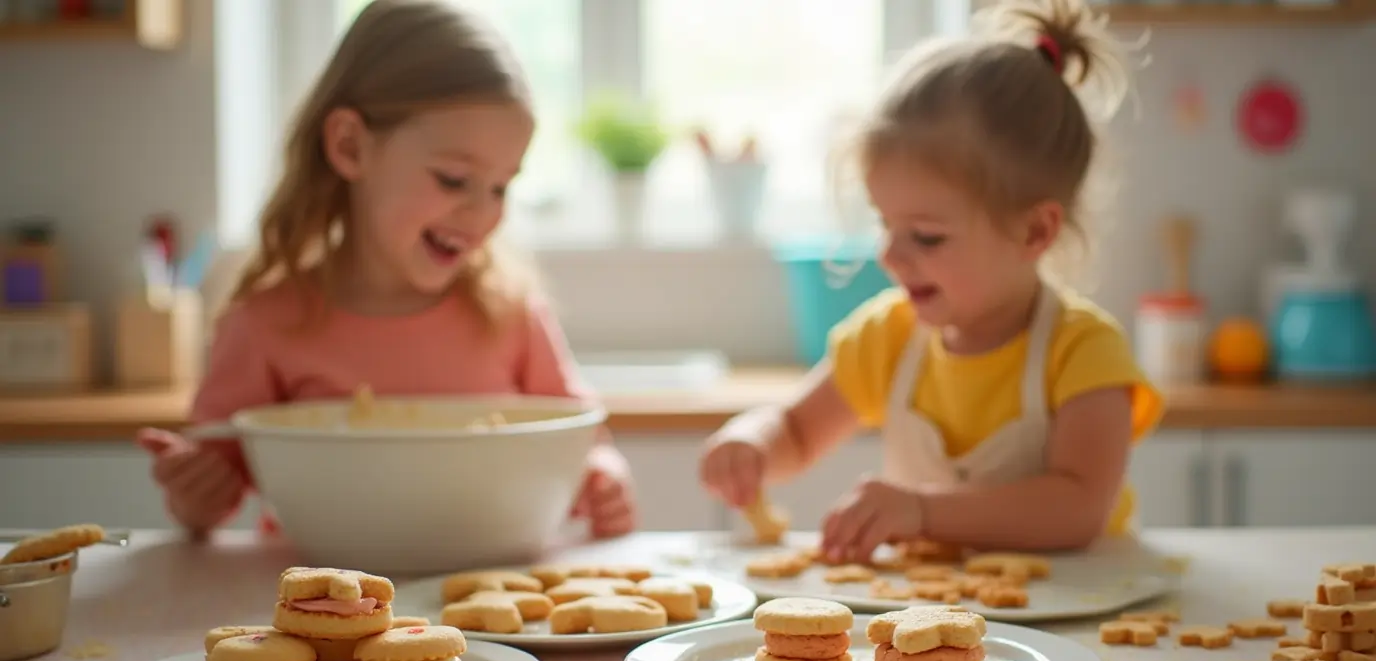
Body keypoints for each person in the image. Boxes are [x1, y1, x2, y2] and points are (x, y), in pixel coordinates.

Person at [137, 0, 635, 540]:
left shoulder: (511, 314)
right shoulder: (263, 324)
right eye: (452, 178)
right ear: (351, 146)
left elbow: (586, 441)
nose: (484, 212)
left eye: (501, 186)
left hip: (484, 609)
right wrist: (194, 495)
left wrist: (605, 477)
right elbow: (211, 490)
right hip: (322, 613)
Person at [700, 0, 1162, 563]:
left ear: (1034, 232)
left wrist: (921, 510)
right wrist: (751, 442)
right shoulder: (889, 336)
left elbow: (1078, 507)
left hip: (1086, 616)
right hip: (935, 633)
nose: (889, 255)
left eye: (926, 236)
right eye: (884, 223)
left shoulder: (1085, 351)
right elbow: (797, 431)